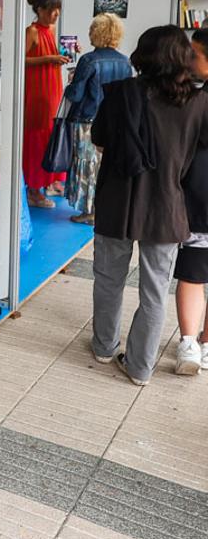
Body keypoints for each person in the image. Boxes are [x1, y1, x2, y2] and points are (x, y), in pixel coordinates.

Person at [91, 26, 208, 385]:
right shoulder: (198, 102)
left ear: (143, 54)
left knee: (108, 279)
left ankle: (104, 346)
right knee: (155, 289)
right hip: (166, 205)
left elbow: (99, 139)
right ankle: (140, 368)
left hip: (116, 201)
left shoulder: (120, 93)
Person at [62, 13, 132, 224]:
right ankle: (104, 208)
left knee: (86, 166)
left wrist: (70, 82)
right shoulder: (125, 62)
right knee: (104, 166)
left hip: (87, 120)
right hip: (114, 121)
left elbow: (76, 94)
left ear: (97, 33)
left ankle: (89, 211)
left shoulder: (88, 60)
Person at [172, 28, 208, 375]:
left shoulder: (195, 101)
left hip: (200, 198)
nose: (189, 59)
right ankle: (206, 344)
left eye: (194, 53)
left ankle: (189, 343)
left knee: (194, 273)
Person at [23, 0, 68, 208]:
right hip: (37, 90)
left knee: (51, 134)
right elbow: (21, 60)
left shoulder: (49, 29)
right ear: (40, 10)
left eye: (57, 10)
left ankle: (48, 182)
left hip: (51, 88)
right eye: (52, 10)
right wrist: (49, 58)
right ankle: (34, 189)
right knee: (37, 137)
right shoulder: (31, 31)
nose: (56, 14)